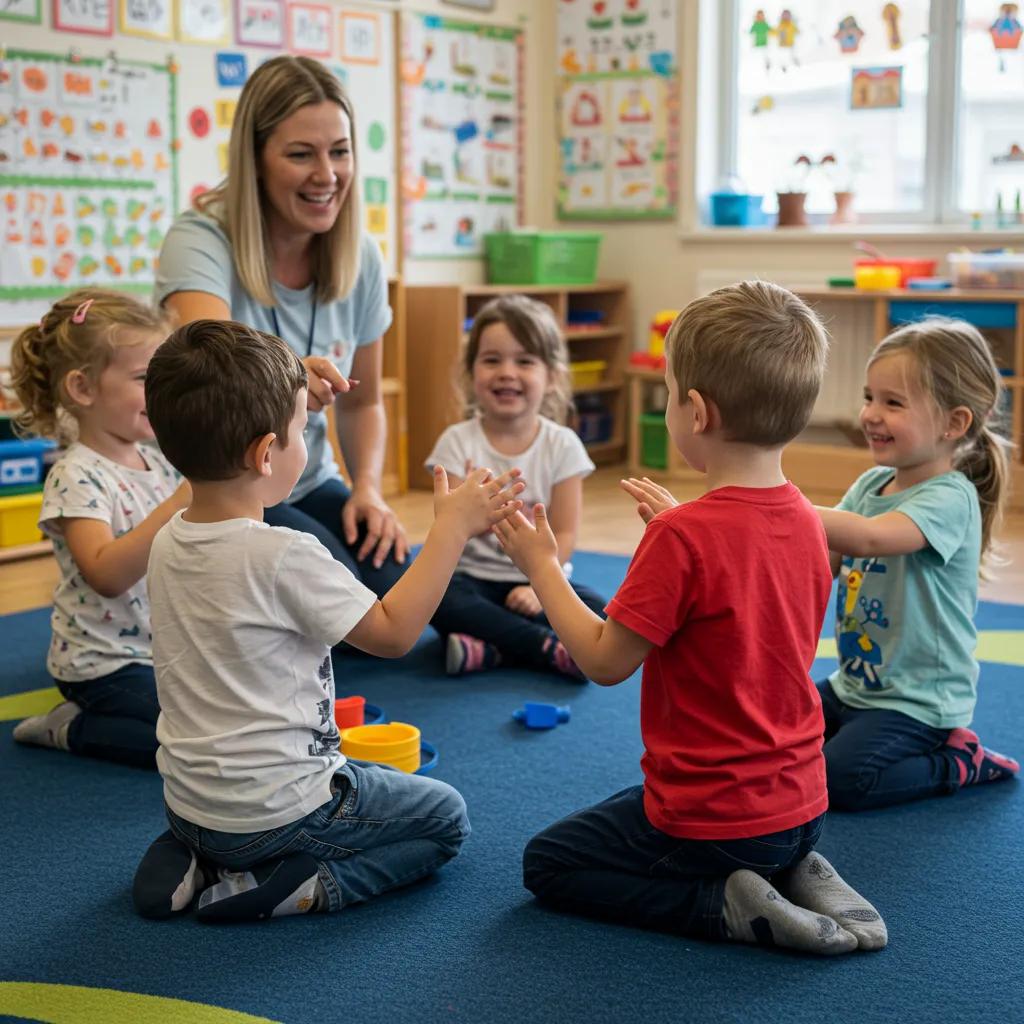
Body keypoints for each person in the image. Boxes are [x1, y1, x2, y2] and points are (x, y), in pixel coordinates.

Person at [493, 282, 887, 955]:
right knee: (648, 808)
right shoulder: (808, 522)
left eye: (672, 392)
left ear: (695, 412)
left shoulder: (682, 540)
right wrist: (681, 528)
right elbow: (740, 580)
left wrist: (543, 567)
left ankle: (725, 904)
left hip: (718, 820)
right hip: (801, 805)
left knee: (551, 862)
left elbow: (602, 660)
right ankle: (793, 868)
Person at [131, 319, 524, 921]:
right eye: (300, 430)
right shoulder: (285, 553)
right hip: (278, 813)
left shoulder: (166, 541)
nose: (304, 443)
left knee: (325, 782)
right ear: (267, 454)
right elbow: (394, 634)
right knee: (446, 818)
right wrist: (450, 530)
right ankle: (304, 885)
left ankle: (196, 853)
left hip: (188, 801)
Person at [154, 55, 406, 595]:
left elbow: (364, 402)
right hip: (226, 486)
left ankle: (541, 631)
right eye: (300, 154)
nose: (327, 174)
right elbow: (211, 374)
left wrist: (368, 490)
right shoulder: (198, 241)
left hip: (304, 474)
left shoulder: (360, 256)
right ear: (256, 161)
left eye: (340, 152)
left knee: (394, 572)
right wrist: (291, 376)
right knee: (340, 585)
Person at [815, 318, 1019, 811]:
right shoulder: (870, 485)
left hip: (918, 701)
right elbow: (825, 558)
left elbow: (869, 537)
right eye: (869, 397)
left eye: (893, 403)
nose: (870, 414)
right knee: (764, 731)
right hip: (854, 684)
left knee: (839, 779)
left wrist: (774, 503)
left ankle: (958, 760)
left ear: (955, 423)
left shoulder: (950, 497)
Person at [9, 289, 188, 768]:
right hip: (104, 664)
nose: (162, 390)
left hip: (165, 650)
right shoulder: (76, 475)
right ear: (83, 389)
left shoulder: (156, 461)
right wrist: (177, 506)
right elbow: (106, 574)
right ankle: (72, 726)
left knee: (224, 719)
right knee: (188, 744)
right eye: (144, 378)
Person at [426, 295, 605, 679]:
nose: (507, 372)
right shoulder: (456, 443)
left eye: (524, 361)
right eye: (492, 360)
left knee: (601, 612)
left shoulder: (563, 445)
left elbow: (566, 532)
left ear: (552, 376)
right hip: (473, 580)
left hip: (539, 577)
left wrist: (539, 585)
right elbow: (448, 530)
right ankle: (543, 648)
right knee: (439, 600)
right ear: (471, 371)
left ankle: (492, 649)